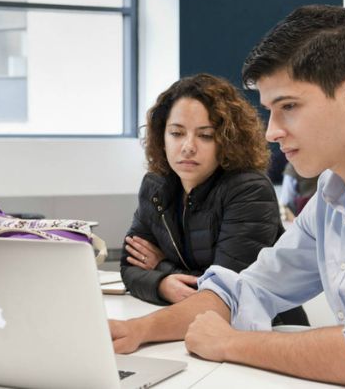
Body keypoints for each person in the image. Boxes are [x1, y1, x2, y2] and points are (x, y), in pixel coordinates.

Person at [109, 5, 345, 388]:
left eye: (289, 107)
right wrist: (134, 331)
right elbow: (246, 290)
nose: (272, 132)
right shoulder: (332, 192)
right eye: (270, 110)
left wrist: (232, 344)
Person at [120, 73, 307, 325]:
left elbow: (226, 292)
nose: (188, 146)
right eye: (176, 133)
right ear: (161, 137)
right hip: (194, 326)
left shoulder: (249, 190)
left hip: (267, 331)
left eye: (205, 135)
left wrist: (162, 266)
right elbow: (129, 266)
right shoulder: (156, 185)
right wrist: (163, 285)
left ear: (227, 141)